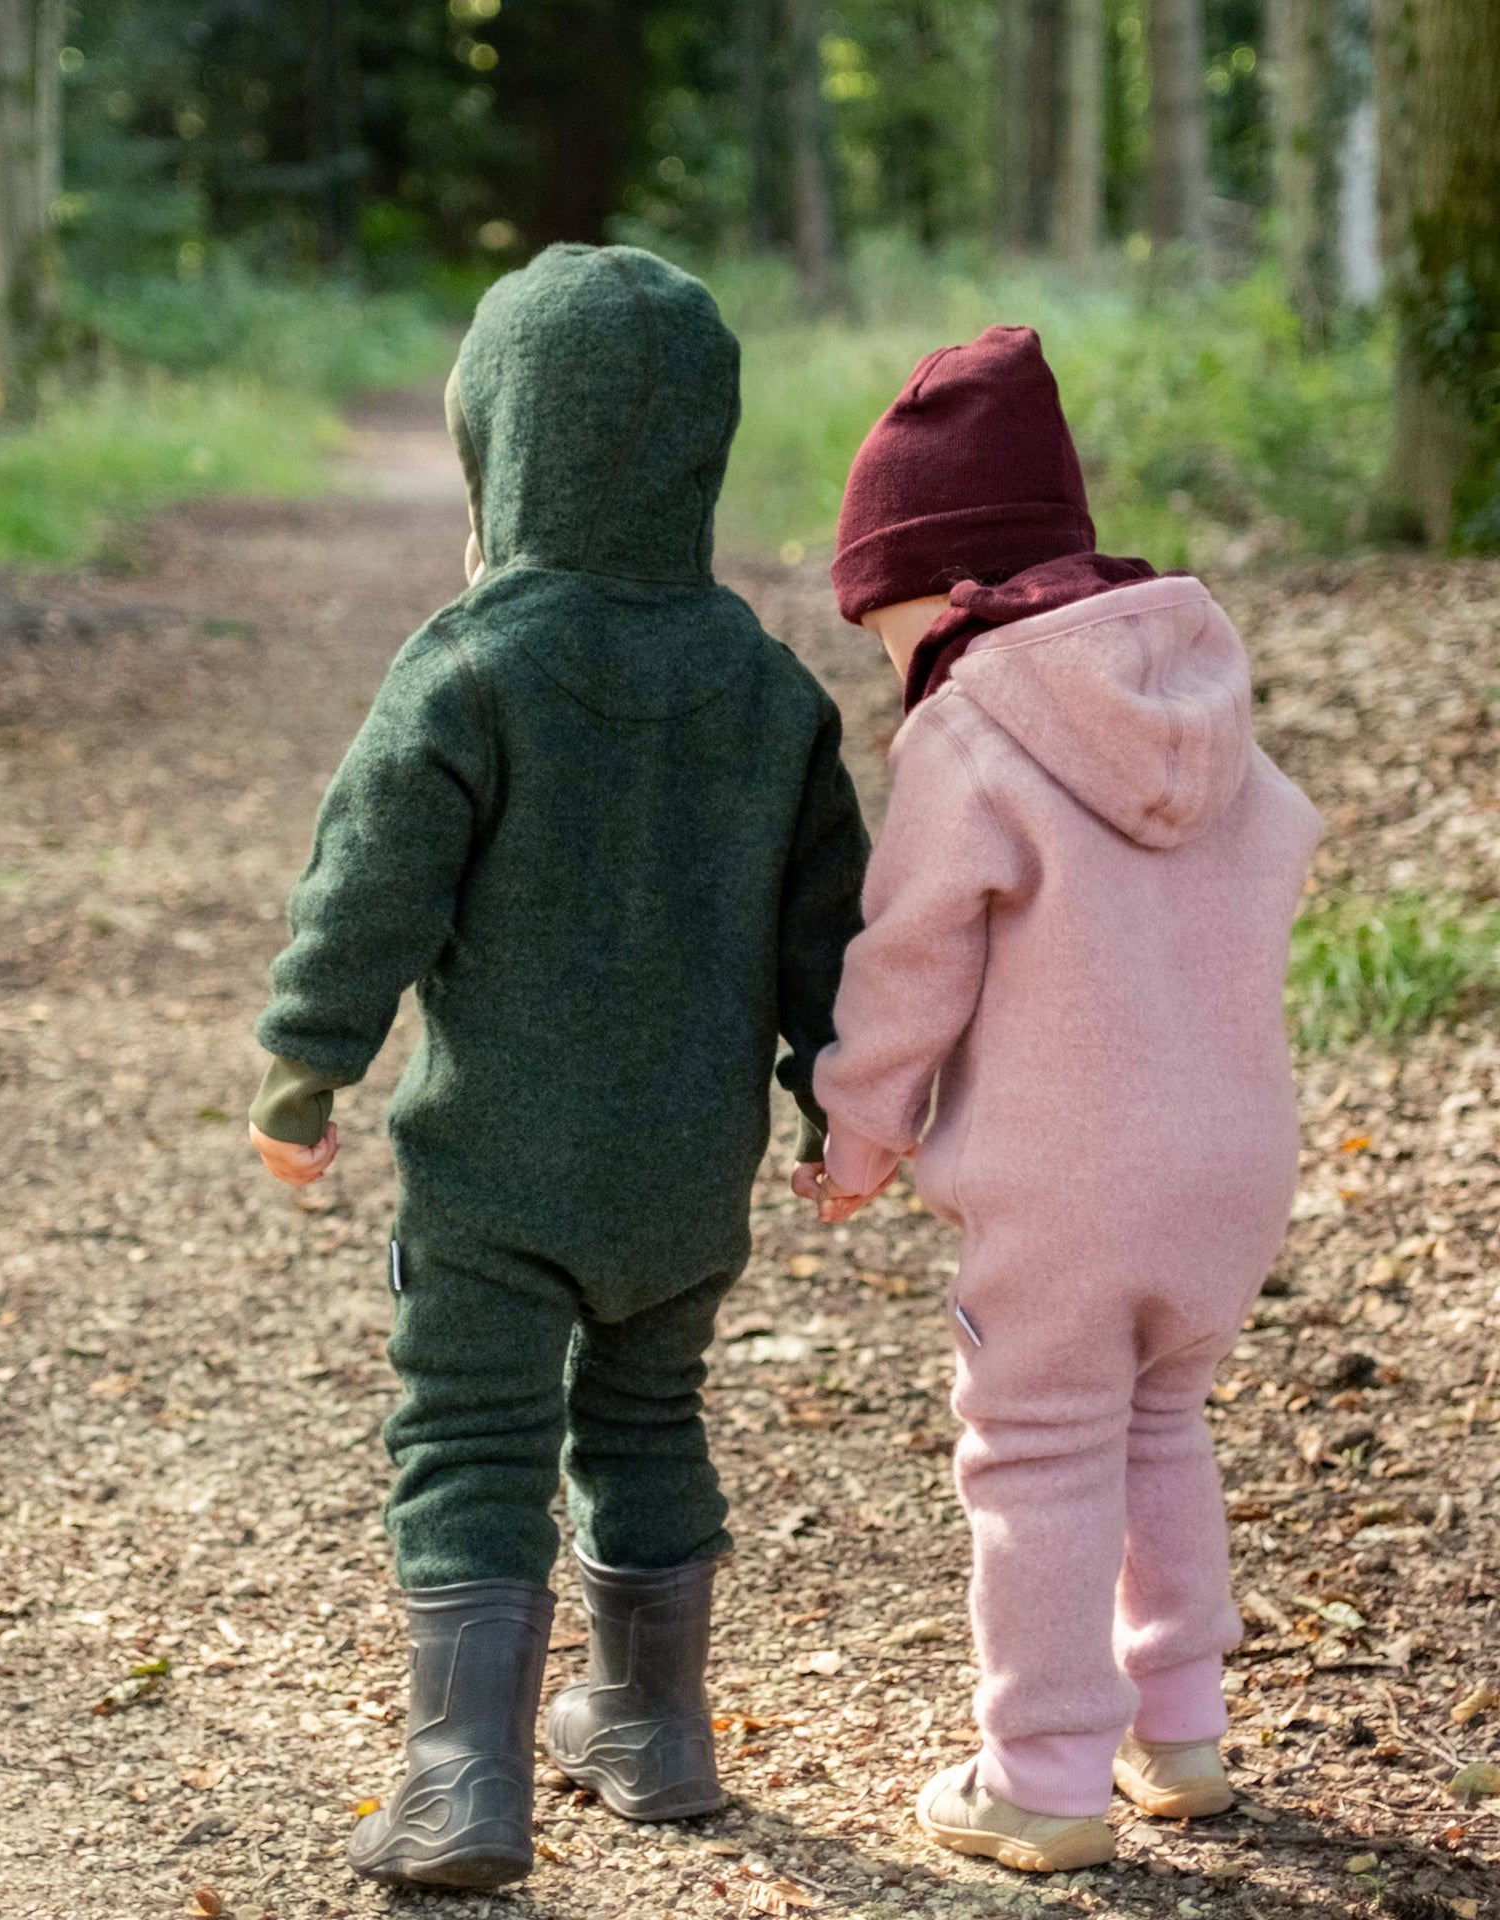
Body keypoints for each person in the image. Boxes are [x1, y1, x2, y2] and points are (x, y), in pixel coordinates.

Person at [248, 244, 868, 1891]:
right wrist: (840, 1098)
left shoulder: (470, 664)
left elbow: (366, 883)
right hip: (683, 1174)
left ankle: (464, 1779)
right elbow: (836, 940)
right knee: (650, 1416)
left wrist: (304, 1067)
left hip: (497, 1175)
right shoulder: (768, 692)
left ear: (497, 448)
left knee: (470, 1433)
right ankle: (655, 1733)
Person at [797, 326, 1319, 1874]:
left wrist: (860, 1130)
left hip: (1064, 1185)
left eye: (884, 631)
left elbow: (911, 963)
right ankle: (1185, 1731)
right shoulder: (1204, 710)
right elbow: (1285, 850)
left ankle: (1039, 1775)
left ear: (948, 597)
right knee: (1164, 1419)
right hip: (1229, 1168)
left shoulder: (972, 734)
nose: (890, 672)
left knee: (1035, 1449)